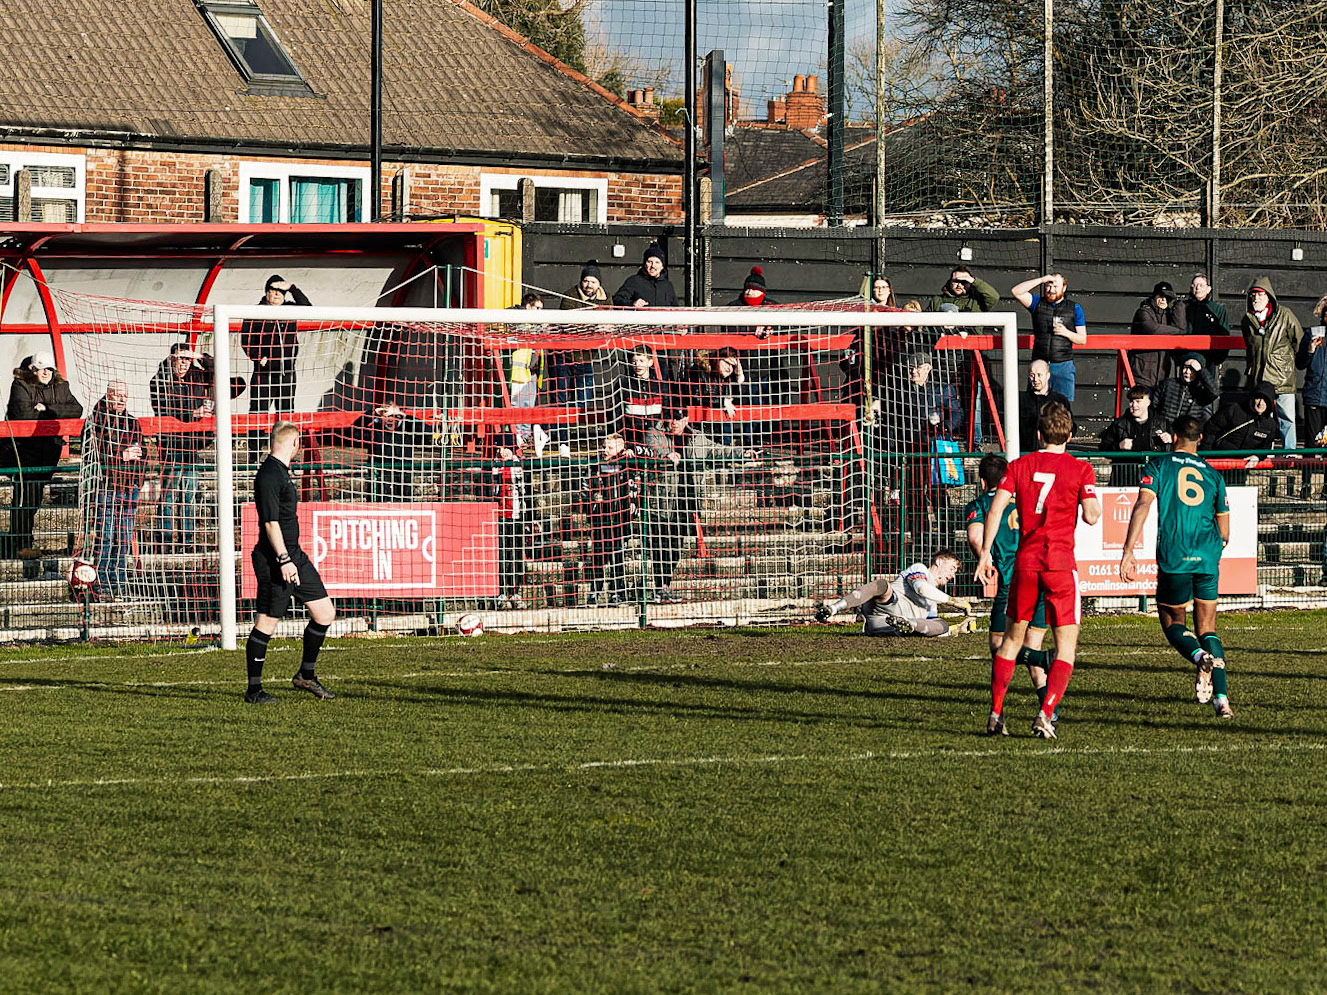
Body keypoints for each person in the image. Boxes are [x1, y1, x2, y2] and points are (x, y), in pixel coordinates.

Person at [976, 402, 1101, 738]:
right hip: (1060, 564)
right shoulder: (1080, 469)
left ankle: (996, 713)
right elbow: (1091, 515)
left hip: (1027, 562)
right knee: (1066, 647)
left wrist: (985, 552)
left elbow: (997, 508)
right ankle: (1045, 713)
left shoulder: (1020, 465)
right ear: (1071, 434)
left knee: (1011, 641)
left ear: (1038, 433)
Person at [1120, 416, 1233, 718]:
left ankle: (1198, 657)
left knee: (1173, 623)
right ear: (1199, 440)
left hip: (1175, 557)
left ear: (1173, 437)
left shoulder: (1158, 465)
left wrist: (1128, 550)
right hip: (1207, 556)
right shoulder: (1212, 474)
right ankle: (1222, 699)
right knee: (1208, 628)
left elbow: (1143, 505)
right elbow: (1225, 532)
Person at [244, 420, 336, 704]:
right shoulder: (270, 475)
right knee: (267, 623)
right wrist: (284, 560)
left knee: (325, 613)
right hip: (276, 560)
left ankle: (305, 676)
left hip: (295, 556)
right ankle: (254, 690)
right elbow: (270, 524)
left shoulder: (281, 472)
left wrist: (291, 557)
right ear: (295, 443)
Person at [645, 407, 758, 604]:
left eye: (679, 418)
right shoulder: (654, 434)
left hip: (687, 501)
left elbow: (718, 450)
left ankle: (664, 586)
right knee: (659, 545)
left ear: (686, 418)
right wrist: (665, 456)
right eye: (671, 417)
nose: (674, 422)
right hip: (662, 501)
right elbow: (653, 451)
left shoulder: (697, 437)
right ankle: (658, 587)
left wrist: (743, 452)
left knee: (675, 545)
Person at [964, 454, 1052, 708]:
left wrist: (985, 557)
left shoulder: (979, 505)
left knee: (998, 646)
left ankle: (999, 709)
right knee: (1031, 642)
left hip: (1015, 582)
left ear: (982, 482)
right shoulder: (1027, 501)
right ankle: (1048, 708)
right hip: (1043, 577)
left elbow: (975, 537)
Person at [4, 352, 83, 558]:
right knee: (24, 497)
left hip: (48, 451)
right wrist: (54, 412)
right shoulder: (21, 385)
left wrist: (46, 408)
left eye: (49, 369)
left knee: (35, 496)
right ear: (32, 369)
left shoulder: (61, 386)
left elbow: (76, 409)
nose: (46, 373)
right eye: (42, 369)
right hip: (23, 451)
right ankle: (20, 543)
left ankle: (20, 541)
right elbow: (21, 413)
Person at [149, 343, 215, 551]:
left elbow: (218, 367)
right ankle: (166, 541)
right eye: (180, 359)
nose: (184, 364)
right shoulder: (159, 380)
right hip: (170, 444)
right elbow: (164, 408)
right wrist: (192, 414)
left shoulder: (197, 376)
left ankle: (187, 541)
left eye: (187, 360)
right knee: (168, 494)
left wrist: (198, 355)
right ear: (171, 359)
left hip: (192, 444)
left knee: (188, 494)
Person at [813, 551, 973, 636]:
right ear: (939, 561)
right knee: (882, 585)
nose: (952, 575)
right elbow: (921, 589)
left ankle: (909, 625)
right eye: (952, 568)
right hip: (886, 605)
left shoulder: (934, 601)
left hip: (886, 626)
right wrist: (953, 601)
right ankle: (833, 609)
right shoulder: (920, 569)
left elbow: (932, 629)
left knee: (941, 625)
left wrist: (955, 629)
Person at [84, 380, 145, 600]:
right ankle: (101, 581)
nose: (121, 399)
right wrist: (121, 456)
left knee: (124, 537)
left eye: (124, 396)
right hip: (107, 487)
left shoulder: (132, 422)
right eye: (117, 395)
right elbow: (95, 453)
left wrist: (138, 480)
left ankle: (119, 581)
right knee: (106, 535)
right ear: (108, 394)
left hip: (130, 487)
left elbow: (142, 452)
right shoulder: (95, 421)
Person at [583, 432, 644, 606]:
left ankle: (618, 592)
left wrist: (634, 450)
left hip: (621, 518)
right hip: (600, 519)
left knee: (618, 556)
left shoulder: (628, 463)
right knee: (598, 558)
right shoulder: (595, 464)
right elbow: (585, 487)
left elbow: (648, 454)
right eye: (604, 447)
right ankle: (595, 592)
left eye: (609, 447)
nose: (605, 450)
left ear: (621, 449)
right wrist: (592, 504)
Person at [1241, 277, 1303, 449]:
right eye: (1253, 295)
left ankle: (1289, 453)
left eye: (1260, 295)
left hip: (1282, 376)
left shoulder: (1286, 315)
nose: (1256, 299)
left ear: (1269, 297)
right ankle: (1263, 453)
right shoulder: (1247, 320)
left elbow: (1299, 341)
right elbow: (1249, 347)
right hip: (1259, 379)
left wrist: (1293, 364)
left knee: (1287, 417)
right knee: (1261, 418)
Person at [240, 274, 309, 417]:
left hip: (287, 372)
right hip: (264, 373)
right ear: (266, 293)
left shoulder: (290, 309)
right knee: (258, 413)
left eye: (281, 291)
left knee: (286, 413)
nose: (278, 294)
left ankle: (285, 440)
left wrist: (292, 288)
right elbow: (246, 340)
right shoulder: (255, 312)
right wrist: (258, 357)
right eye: (273, 290)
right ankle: (257, 440)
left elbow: (309, 308)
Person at [1011, 273, 1087, 401]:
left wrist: (1066, 332)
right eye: (1048, 286)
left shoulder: (1075, 308)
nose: (1051, 290)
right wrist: (1041, 280)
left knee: (1063, 405)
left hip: (1063, 364)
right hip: (1040, 363)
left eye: (1055, 286)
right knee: (1035, 403)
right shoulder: (1037, 303)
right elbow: (1016, 291)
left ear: (1064, 288)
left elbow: (1082, 339)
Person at [357, 402, 442, 501]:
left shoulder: (408, 429)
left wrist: (407, 418)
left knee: (405, 503)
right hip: (380, 477)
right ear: (380, 417)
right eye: (387, 416)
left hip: (403, 477)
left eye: (394, 416)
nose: (390, 420)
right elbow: (353, 433)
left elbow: (428, 433)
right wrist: (371, 414)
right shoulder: (374, 430)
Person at [1099, 386, 1168, 486]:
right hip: (1124, 481)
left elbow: (1174, 451)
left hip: (1154, 479)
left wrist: (1170, 442)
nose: (1134, 405)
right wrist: (1118, 446)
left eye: (1138, 401)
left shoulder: (1163, 424)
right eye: (1131, 401)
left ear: (1148, 402)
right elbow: (1103, 448)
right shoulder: (1119, 424)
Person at [1128, 281, 1186, 391]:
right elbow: (1152, 329)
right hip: (1142, 373)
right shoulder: (1143, 312)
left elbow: (1180, 328)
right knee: (1140, 406)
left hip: (1162, 375)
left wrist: (1179, 305)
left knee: (1157, 408)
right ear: (1154, 296)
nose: (1164, 299)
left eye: (1167, 297)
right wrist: (1178, 331)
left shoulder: (1168, 315)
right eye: (1161, 295)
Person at [491, 435, 526, 610]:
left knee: (516, 554)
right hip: (500, 514)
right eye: (498, 448)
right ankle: (502, 592)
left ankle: (516, 591)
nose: (500, 451)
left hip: (516, 514)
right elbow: (491, 489)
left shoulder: (518, 465)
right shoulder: (494, 466)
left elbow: (526, 491)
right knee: (502, 554)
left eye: (503, 448)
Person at [509, 292, 546, 452]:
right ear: (528, 306)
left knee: (529, 406)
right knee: (517, 405)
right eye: (537, 308)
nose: (540, 311)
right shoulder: (518, 321)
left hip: (533, 373)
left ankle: (525, 435)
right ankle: (517, 435)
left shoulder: (537, 326)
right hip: (519, 372)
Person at [1297, 312, 1327, 500]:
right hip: (1314, 395)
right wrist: (1309, 350)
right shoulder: (1312, 332)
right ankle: (1306, 486)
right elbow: (1300, 363)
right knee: (1310, 445)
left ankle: (1326, 489)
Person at [1152, 351, 1219, 428]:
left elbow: (1215, 392)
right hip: (1165, 431)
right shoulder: (1167, 384)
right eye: (1185, 367)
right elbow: (1154, 407)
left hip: (1186, 433)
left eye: (1192, 369)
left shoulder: (1200, 390)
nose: (1187, 372)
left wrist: (1201, 370)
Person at [1018, 359, 1073, 449]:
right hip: (1026, 452)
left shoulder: (1060, 400)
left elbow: (1071, 426)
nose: (1035, 379)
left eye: (1039, 375)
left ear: (1048, 375)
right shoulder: (1020, 400)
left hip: (1053, 453)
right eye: (1032, 375)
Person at [1185, 273, 1231, 374]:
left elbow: (1224, 334)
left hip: (1209, 359)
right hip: (1187, 357)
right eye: (1195, 285)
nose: (1198, 288)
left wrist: (1217, 359)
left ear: (1208, 289)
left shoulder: (1217, 309)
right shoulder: (1184, 308)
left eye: (1201, 285)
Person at [613, 243, 678, 308]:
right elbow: (617, 299)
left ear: (662, 266)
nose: (653, 266)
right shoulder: (635, 281)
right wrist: (632, 303)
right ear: (644, 264)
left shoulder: (668, 286)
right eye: (650, 262)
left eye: (657, 262)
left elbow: (676, 309)